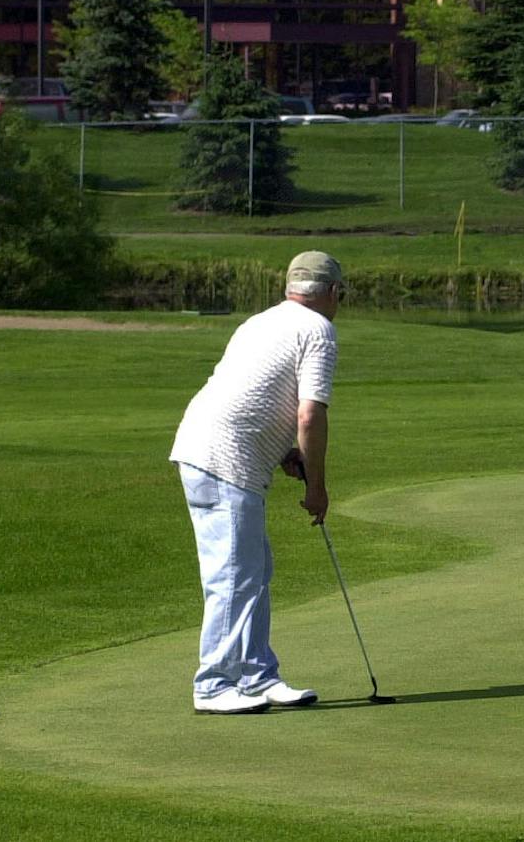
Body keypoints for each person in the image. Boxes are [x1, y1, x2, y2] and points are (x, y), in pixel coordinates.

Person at [169, 250, 344, 714]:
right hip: (224, 459)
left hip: (207, 449)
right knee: (233, 577)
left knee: (253, 572)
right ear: (331, 293)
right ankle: (212, 685)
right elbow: (310, 413)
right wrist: (316, 486)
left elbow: (254, 393)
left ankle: (257, 675)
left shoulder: (259, 321)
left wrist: (284, 451)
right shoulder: (318, 331)